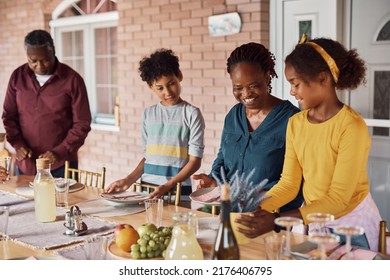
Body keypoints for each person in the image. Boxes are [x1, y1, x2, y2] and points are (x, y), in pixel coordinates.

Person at [237, 35, 388, 253]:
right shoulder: (296, 123)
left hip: (352, 228)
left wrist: (276, 219)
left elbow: (337, 199)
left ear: (323, 79)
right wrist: (258, 207)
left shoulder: (351, 127)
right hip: (316, 222)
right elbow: (289, 184)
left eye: (295, 83)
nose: (291, 92)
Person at [192, 42, 303, 212]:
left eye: (253, 86)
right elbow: (223, 157)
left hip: (268, 217)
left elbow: (296, 181)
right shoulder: (233, 116)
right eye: (238, 88)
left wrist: (263, 194)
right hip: (229, 214)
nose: (246, 94)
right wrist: (214, 180)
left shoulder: (293, 119)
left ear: (267, 77)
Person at [106, 49, 205, 200]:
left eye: (171, 84)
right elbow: (148, 157)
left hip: (176, 191)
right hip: (148, 190)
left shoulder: (192, 114)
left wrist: (168, 184)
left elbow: (194, 161)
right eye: (160, 88)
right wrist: (128, 180)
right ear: (151, 87)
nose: (168, 92)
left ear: (179, 76)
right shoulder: (148, 114)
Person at [2, 30, 92, 178]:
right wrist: (17, 144)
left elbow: (82, 123)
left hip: (62, 165)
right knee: (24, 202)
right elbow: (8, 116)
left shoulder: (72, 80)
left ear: (53, 51)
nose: (40, 66)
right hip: (26, 164)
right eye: (33, 61)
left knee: (63, 202)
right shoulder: (17, 77)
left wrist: (60, 151)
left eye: (45, 60)